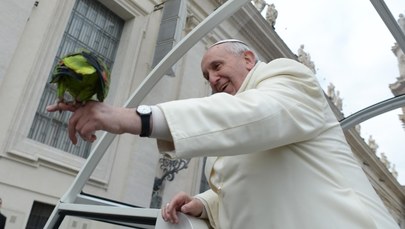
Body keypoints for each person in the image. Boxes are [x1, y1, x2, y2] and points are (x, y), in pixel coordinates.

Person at [47, 39, 400, 229]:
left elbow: (256, 115)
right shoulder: (230, 136)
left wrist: (130, 118)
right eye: (206, 76)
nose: (212, 80)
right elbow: (248, 187)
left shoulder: (288, 80)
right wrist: (206, 203)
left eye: (217, 67)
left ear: (248, 58)